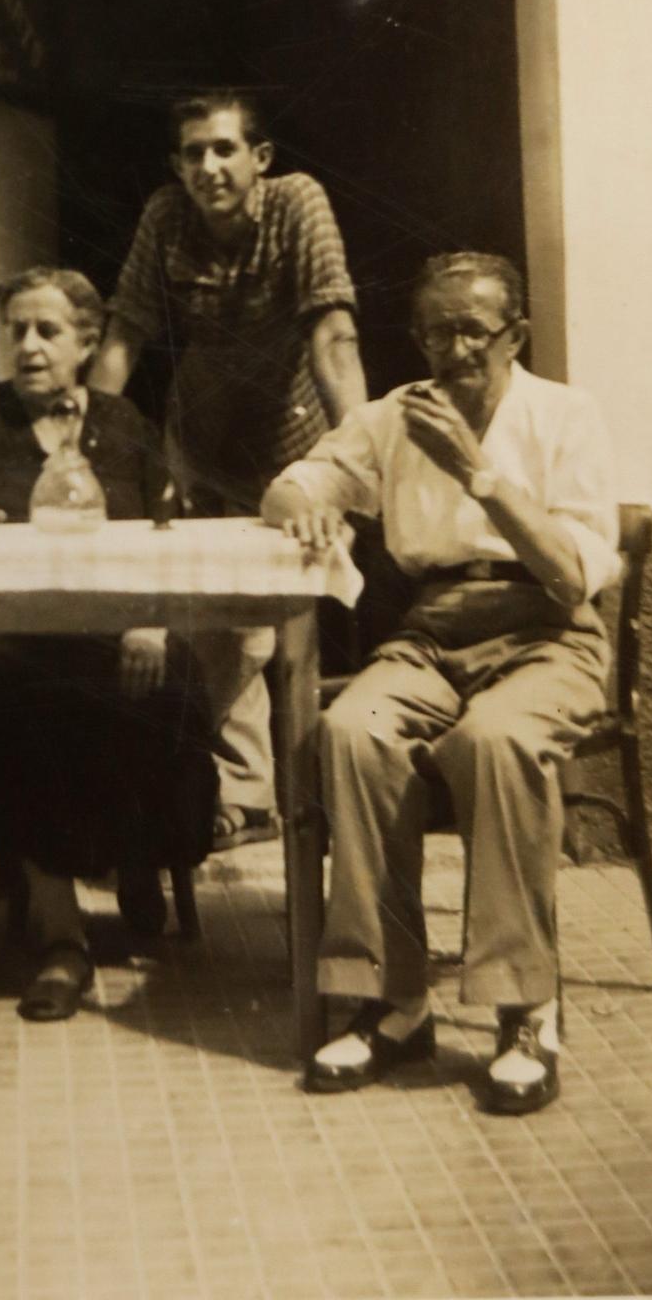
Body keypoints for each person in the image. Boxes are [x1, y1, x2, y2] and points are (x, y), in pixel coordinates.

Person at [260, 251, 618, 1115]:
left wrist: (476, 472)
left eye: (471, 331)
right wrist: (302, 499)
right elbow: (296, 480)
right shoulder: (392, 418)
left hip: (546, 632)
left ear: (513, 335)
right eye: (433, 331)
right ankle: (393, 999)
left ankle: (524, 1008)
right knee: (350, 730)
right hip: (431, 633)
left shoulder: (564, 416)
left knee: (494, 739)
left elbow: (571, 579)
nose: (452, 349)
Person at [0, 267, 216, 1023]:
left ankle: (134, 851)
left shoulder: (123, 422)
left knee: (166, 686)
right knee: (29, 701)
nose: (29, 347)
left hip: (114, 629)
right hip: (6, 637)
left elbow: (162, 534)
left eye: (47, 331)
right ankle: (61, 933)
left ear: (86, 342)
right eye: (17, 332)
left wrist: (149, 617)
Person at [91, 89, 366, 850]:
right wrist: (80, 449)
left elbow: (333, 336)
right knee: (214, 624)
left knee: (254, 627)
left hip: (293, 446)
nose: (208, 166)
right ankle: (233, 800)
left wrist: (357, 455)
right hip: (201, 447)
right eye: (191, 153)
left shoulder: (296, 205)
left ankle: (236, 795)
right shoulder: (165, 216)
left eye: (223, 149)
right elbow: (123, 337)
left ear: (259, 158)